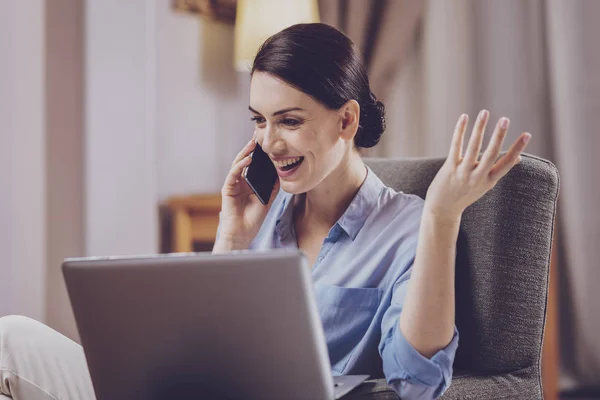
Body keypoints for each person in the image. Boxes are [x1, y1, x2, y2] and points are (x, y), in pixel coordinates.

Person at [0, 23, 531, 400]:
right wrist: (230, 239)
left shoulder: (406, 226)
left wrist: (441, 218)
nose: (269, 143)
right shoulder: (261, 216)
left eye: (289, 120)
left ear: (346, 120)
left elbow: (416, 382)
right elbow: (194, 346)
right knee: (10, 338)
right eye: (259, 120)